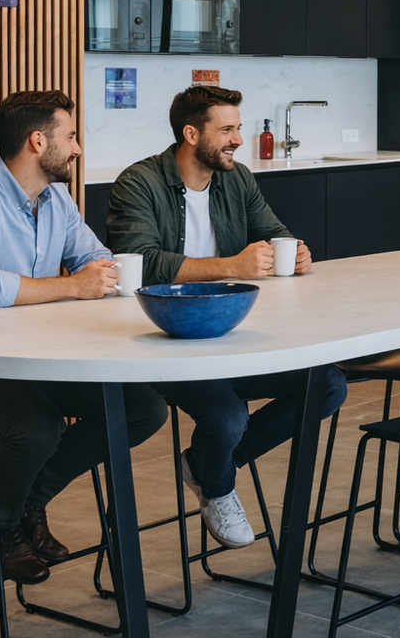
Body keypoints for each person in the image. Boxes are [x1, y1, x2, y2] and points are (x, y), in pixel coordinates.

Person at [0, 90, 170, 585]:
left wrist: (117, 275)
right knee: (38, 427)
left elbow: (97, 261)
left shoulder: (56, 202)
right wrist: (74, 285)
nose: (77, 148)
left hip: (24, 359)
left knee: (143, 408)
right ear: (37, 141)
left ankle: (26, 501)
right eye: (70, 136)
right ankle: (3, 523)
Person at [107, 85, 348, 549]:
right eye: (228, 129)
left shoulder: (236, 179)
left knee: (327, 386)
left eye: (238, 127)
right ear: (191, 133)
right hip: (165, 337)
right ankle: (217, 487)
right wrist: (231, 266)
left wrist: (296, 252)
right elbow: (138, 260)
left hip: (232, 330)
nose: (238, 138)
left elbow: (273, 231)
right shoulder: (139, 182)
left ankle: (207, 465)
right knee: (228, 417)